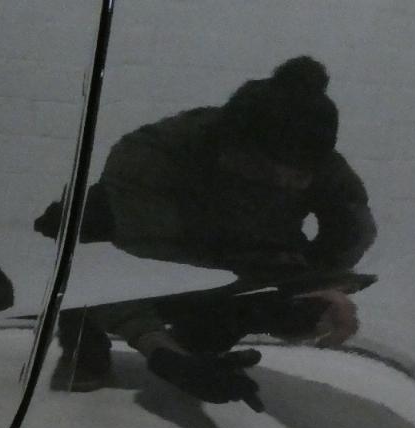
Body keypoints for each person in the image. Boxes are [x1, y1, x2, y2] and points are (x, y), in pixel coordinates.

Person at [39, 56, 377, 407]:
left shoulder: (327, 172)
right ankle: (85, 345)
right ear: (228, 147)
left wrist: (323, 290)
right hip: (161, 258)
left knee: (301, 306)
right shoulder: (152, 158)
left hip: (235, 264)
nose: (275, 184)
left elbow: (347, 239)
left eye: (294, 177)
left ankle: (200, 342)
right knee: (73, 223)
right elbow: (123, 271)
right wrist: (160, 350)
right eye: (259, 171)